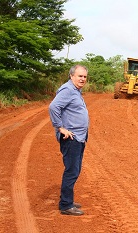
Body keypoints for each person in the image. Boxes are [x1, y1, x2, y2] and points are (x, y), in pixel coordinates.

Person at [49, 64, 89, 216]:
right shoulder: (67, 90)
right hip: (71, 138)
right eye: (80, 76)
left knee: (75, 169)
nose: (82, 79)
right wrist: (60, 127)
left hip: (78, 138)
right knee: (72, 171)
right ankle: (66, 205)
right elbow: (53, 107)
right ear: (72, 76)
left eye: (84, 76)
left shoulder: (75, 91)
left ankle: (67, 200)